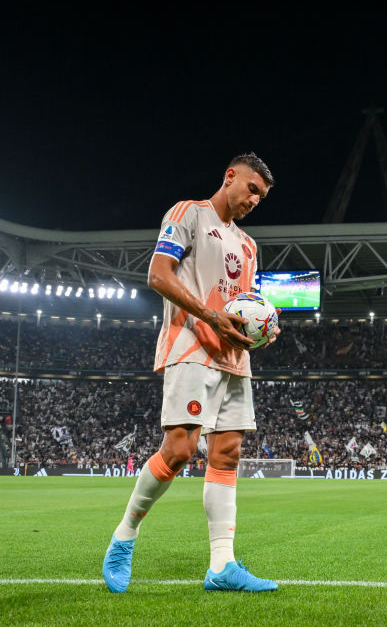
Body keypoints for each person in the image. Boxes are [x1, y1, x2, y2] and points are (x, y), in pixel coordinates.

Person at [102, 153, 278, 593]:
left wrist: (263, 330)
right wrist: (210, 316)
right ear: (230, 176)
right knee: (180, 449)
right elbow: (158, 275)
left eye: (262, 196)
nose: (255, 199)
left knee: (228, 454)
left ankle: (222, 566)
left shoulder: (249, 245)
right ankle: (124, 536)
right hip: (192, 345)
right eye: (252, 189)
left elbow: (244, 305)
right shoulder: (189, 214)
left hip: (234, 357)